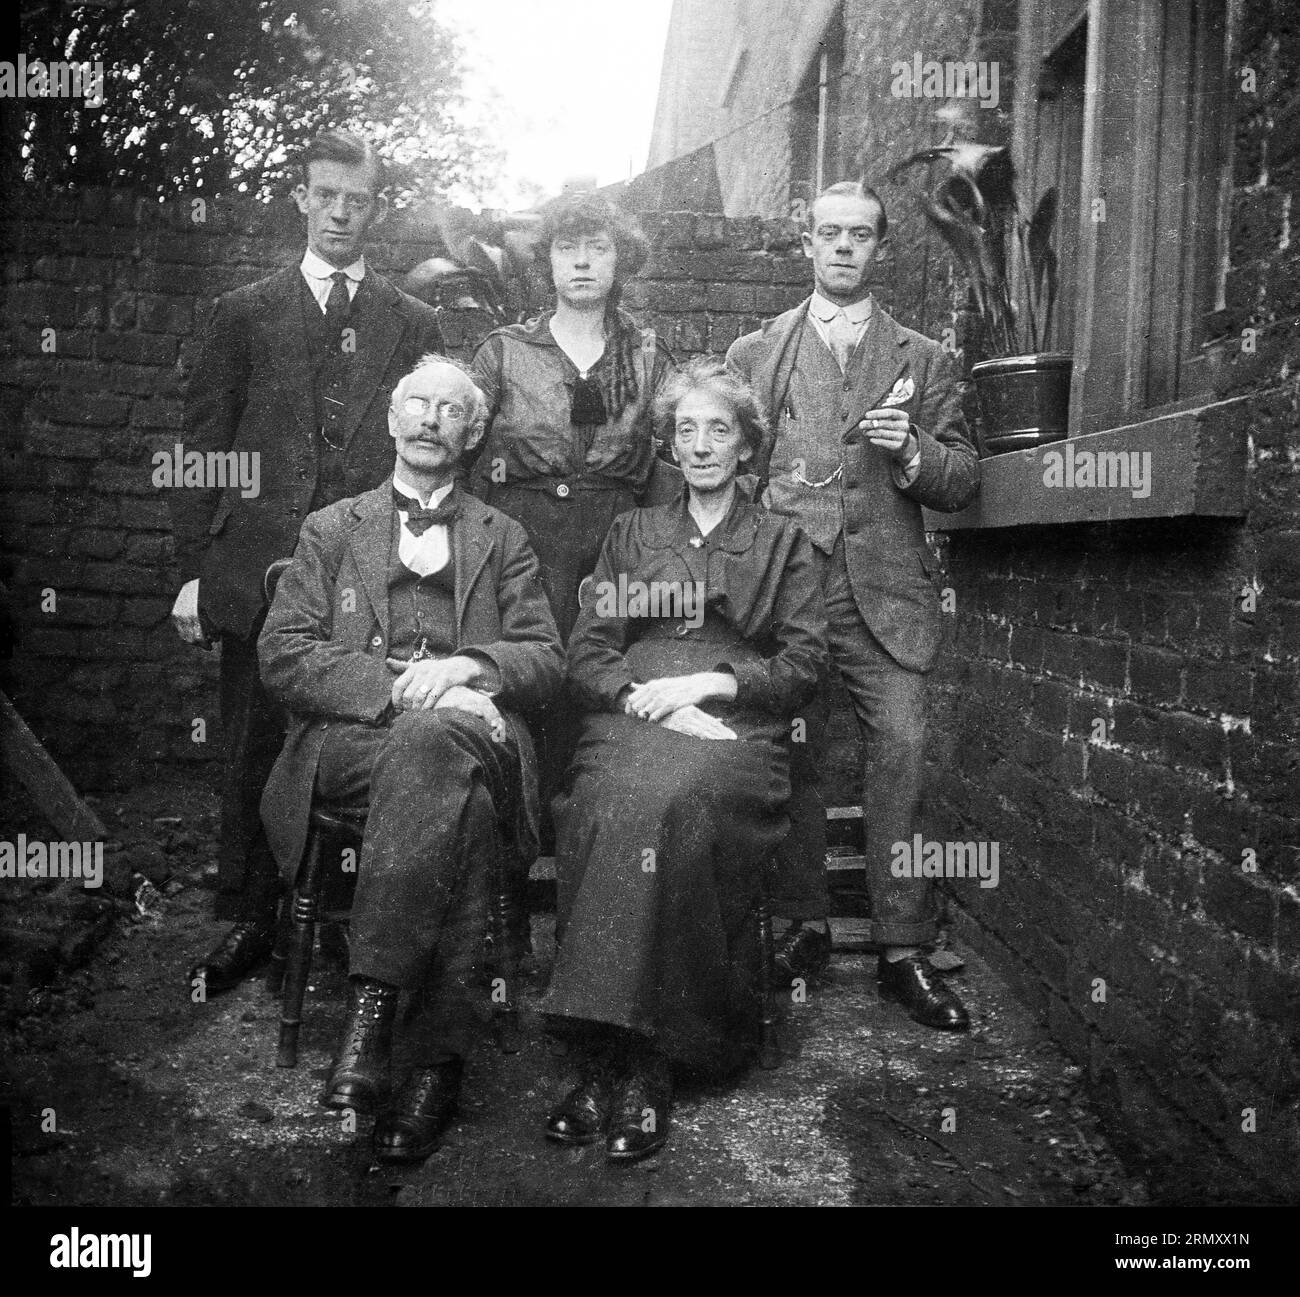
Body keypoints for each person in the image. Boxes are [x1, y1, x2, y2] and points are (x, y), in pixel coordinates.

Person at [257, 356, 563, 1163]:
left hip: (475, 730)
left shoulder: (505, 536)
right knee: (445, 782)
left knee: (437, 753)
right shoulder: (331, 528)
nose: (431, 419)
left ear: (470, 433)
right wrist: (400, 691)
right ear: (392, 424)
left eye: (450, 410)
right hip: (352, 741)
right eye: (417, 406)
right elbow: (283, 654)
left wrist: (469, 669)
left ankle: (370, 1018)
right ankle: (433, 1062)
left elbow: (545, 659)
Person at [171, 130, 446, 996]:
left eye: (356, 199)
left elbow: (434, 454)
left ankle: (343, 917)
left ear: (376, 208)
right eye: (324, 195)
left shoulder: (412, 322)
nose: (338, 212)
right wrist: (191, 570)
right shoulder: (242, 312)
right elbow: (204, 449)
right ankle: (251, 917)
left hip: (368, 569)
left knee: (357, 734)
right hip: (257, 567)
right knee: (252, 740)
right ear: (301, 198)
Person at [541, 357, 827, 1161]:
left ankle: (651, 1061)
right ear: (669, 444)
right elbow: (588, 648)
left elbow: (806, 664)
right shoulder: (632, 535)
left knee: (677, 804)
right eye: (686, 430)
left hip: (736, 728)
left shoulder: (782, 543)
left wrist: (713, 682)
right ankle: (607, 1051)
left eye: (720, 430)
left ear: (746, 448)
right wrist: (641, 695)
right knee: (609, 799)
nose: (701, 445)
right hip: (636, 710)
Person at [726, 180, 980, 1030]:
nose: (844, 247)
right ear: (808, 240)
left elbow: (961, 478)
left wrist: (911, 451)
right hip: (790, 586)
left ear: (881, 248)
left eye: (861, 235)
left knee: (902, 748)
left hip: (886, 592)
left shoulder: (926, 358)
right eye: (830, 233)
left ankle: (902, 948)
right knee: (789, 750)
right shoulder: (756, 354)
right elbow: (731, 471)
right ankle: (804, 925)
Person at [467, 193, 677, 828]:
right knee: (521, 675)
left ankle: (585, 832)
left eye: (599, 248)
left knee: (602, 677)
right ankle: (513, 834)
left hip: (615, 543)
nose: (582, 262)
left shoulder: (647, 356)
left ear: (621, 260)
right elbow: (463, 457)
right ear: (548, 260)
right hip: (520, 541)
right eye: (568, 248)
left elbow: (673, 465)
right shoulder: (503, 353)